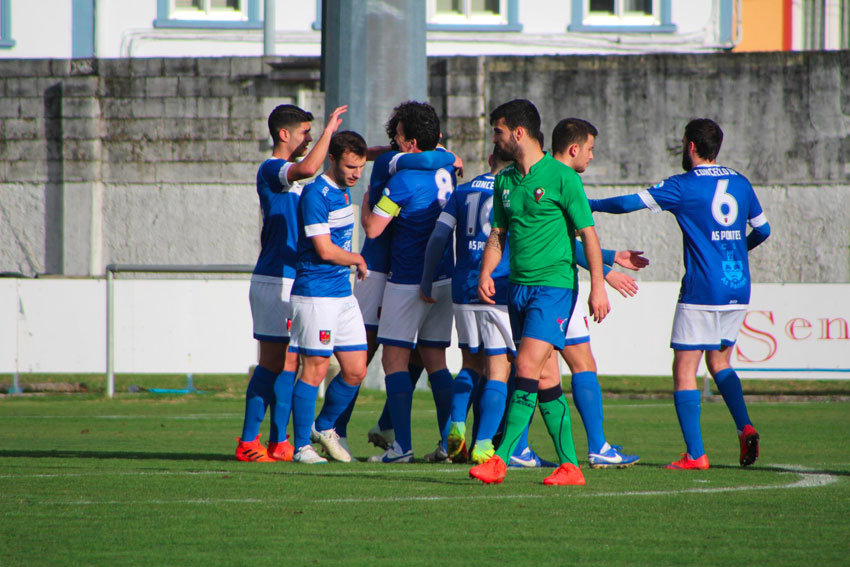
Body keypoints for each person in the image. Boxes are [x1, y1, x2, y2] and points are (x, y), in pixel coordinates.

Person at [589, 118, 770, 470]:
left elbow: (629, 203)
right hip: (737, 287)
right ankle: (744, 425)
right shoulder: (740, 181)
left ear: (691, 146)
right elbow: (763, 230)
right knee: (720, 362)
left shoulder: (683, 185)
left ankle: (696, 454)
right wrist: (732, 253)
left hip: (703, 288)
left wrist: (589, 203)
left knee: (685, 369)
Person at [469, 99, 610, 486]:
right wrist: (486, 272)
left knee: (526, 368)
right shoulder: (504, 181)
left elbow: (589, 236)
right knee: (546, 379)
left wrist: (598, 286)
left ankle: (499, 459)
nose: (494, 139)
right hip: (518, 289)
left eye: (498, 131)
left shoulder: (563, 178)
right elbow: (498, 234)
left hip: (554, 288)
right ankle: (570, 467)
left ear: (518, 133)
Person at [334, 107, 461, 452]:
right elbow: (437, 157)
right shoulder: (439, 167)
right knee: (411, 355)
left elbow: (373, 227)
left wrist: (365, 205)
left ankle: (381, 434)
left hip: (398, 272)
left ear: (411, 141)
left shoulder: (403, 169)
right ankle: (343, 427)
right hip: (420, 272)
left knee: (391, 354)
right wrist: (448, 156)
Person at [235, 103, 347, 462]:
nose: (309, 139)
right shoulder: (272, 169)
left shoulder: (297, 181)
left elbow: (321, 166)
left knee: (290, 363)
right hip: (274, 279)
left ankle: (279, 441)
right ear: (284, 134)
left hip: (294, 280)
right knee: (272, 363)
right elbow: (310, 166)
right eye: (304, 132)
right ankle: (247, 442)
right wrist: (329, 131)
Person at [550, 117, 645, 468]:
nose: (592, 156)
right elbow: (565, 244)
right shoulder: (562, 178)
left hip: (548, 285)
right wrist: (604, 276)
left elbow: (563, 240)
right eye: (590, 149)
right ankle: (594, 448)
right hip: (552, 287)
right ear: (574, 148)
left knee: (553, 367)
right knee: (540, 369)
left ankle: (594, 446)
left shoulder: (539, 175)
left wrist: (611, 257)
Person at [287, 131, 370, 464]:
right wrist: (358, 258)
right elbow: (323, 249)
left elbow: (366, 155)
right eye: (350, 166)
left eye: (361, 167)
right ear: (332, 160)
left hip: (342, 295)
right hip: (315, 295)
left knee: (356, 369)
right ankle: (301, 447)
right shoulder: (315, 194)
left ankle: (323, 427)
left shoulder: (343, 187)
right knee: (316, 368)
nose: (356, 174)